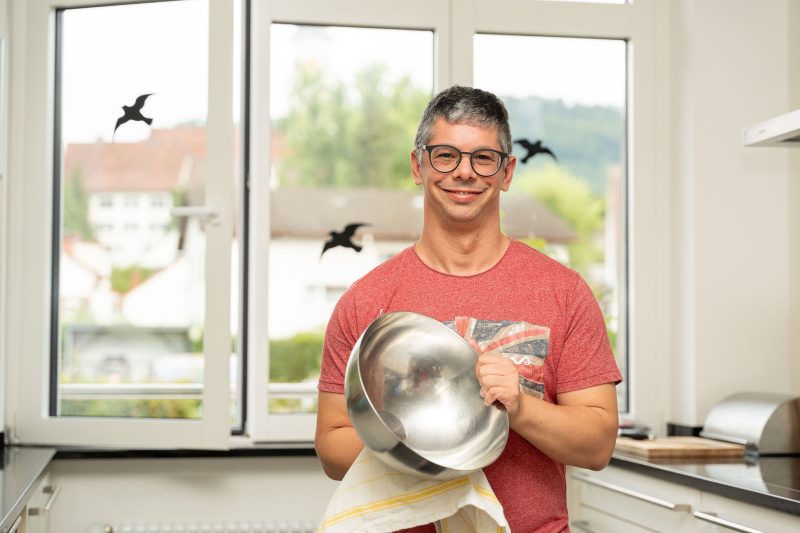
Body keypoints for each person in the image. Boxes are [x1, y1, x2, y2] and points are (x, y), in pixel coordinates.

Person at [315, 85, 622, 532]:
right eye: (445, 156)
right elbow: (331, 446)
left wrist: (521, 408)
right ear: (417, 165)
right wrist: (419, 438)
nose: (464, 172)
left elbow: (597, 446)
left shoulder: (564, 292)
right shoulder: (365, 301)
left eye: (483, 158)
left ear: (507, 172)